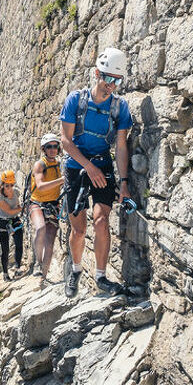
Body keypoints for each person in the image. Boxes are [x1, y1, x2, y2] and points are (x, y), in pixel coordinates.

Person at [60, 47, 132, 297]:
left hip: (102, 165)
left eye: (117, 80)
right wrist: (87, 167)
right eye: (108, 78)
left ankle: (101, 276)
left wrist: (123, 183)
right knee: (78, 229)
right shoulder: (75, 100)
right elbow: (66, 141)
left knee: (101, 221)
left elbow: (121, 145)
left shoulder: (119, 108)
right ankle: (76, 269)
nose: (112, 84)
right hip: (76, 168)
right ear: (96, 74)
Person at [28, 133, 63, 283]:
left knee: (50, 244)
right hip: (37, 203)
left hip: (53, 205)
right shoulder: (40, 165)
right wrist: (61, 180)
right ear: (44, 149)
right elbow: (40, 186)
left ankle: (43, 277)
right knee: (40, 228)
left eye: (55, 146)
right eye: (49, 147)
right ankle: (37, 262)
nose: (53, 149)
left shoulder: (59, 164)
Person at [0, 170, 23, 281]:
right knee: (5, 249)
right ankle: (5, 273)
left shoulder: (16, 192)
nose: (10, 187)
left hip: (15, 219)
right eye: (7, 185)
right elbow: (10, 211)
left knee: (19, 243)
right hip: (3, 222)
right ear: (2, 185)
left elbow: (17, 206)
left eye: (12, 185)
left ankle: (17, 267)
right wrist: (22, 208)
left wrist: (20, 207)